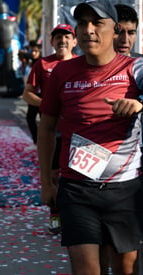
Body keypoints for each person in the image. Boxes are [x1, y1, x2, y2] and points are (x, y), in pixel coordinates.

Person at [37, 1, 143, 274]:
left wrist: (139, 105)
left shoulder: (136, 68)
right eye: (82, 23)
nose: (88, 30)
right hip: (76, 189)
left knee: (125, 269)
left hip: (125, 190)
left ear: (115, 29)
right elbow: (47, 128)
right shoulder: (62, 72)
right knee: (85, 268)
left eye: (97, 23)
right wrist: (46, 182)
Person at [23, 23, 77, 235]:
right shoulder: (42, 64)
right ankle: (55, 213)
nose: (62, 41)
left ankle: (76, 215)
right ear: (51, 41)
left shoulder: (83, 64)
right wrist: (47, 104)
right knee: (54, 174)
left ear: (74, 41)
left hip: (78, 130)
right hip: (53, 130)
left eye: (66, 37)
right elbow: (27, 94)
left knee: (77, 174)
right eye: (58, 37)